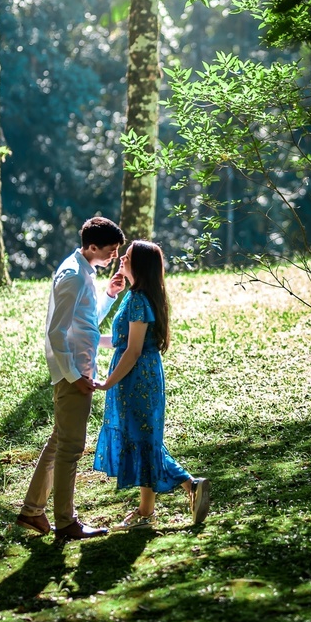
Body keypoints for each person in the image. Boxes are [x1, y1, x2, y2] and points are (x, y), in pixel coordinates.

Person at [16, 216, 126, 542]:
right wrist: (75, 376)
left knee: (58, 443)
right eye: (110, 250)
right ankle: (66, 522)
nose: (114, 257)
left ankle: (32, 511)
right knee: (70, 449)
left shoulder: (83, 272)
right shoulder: (74, 277)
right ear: (92, 247)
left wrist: (108, 294)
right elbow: (56, 332)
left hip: (79, 369)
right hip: (73, 374)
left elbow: (85, 322)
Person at [92, 239, 211, 528]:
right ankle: (184, 490)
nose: (121, 261)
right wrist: (87, 339)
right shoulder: (138, 296)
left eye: (127, 258)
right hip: (140, 375)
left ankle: (150, 511)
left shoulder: (137, 300)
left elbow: (132, 351)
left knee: (144, 441)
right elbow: (122, 343)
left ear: (139, 265)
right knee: (144, 440)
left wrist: (108, 382)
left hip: (136, 380)